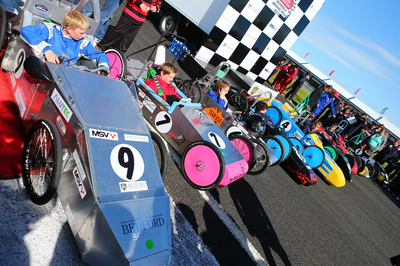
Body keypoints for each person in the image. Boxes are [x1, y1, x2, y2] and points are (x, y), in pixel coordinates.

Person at [20, 11, 109, 69]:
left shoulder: (82, 42)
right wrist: (47, 50)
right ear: (70, 29)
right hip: (42, 70)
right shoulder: (51, 30)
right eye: (81, 33)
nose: (84, 36)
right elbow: (26, 31)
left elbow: (99, 55)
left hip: (64, 79)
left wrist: (103, 66)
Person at [97, 0, 163, 52]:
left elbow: (158, 2)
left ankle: (117, 56)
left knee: (127, 41)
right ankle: (100, 47)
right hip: (130, 13)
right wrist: (140, 3)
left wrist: (156, 7)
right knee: (117, 32)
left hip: (140, 19)